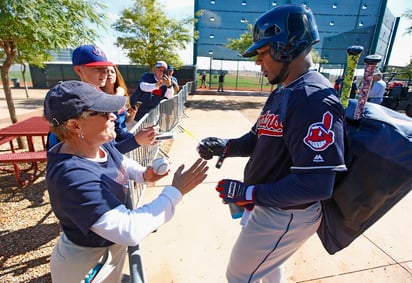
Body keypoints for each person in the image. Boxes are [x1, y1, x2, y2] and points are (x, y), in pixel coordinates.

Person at [197, 4, 346, 282]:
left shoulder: (313, 98)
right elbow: (258, 137)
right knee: (264, 267)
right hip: (270, 203)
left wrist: (249, 193)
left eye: (263, 52)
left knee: (239, 276)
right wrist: (227, 146)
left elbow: (316, 184)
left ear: (286, 48)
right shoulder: (285, 89)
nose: (258, 61)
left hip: (287, 213)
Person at [44, 80, 209, 283]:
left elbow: (121, 162)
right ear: (74, 124)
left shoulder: (99, 143)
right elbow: (128, 229)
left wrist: (143, 174)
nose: (114, 116)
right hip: (87, 264)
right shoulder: (71, 176)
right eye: (103, 113)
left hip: (107, 250)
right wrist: (176, 191)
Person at [47, 44, 157, 154]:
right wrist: (136, 140)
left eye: (106, 69)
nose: (105, 74)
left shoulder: (105, 99)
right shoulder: (70, 102)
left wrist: (142, 137)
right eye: (97, 69)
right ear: (78, 70)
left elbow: (117, 135)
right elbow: (100, 154)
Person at [102, 65, 139, 142]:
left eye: (112, 72)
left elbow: (125, 120)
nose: (109, 74)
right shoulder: (99, 95)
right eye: (106, 71)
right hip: (109, 139)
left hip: (123, 134)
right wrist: (118, 95)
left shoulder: (122, 93)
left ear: (116, 75)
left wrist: (132, 115)